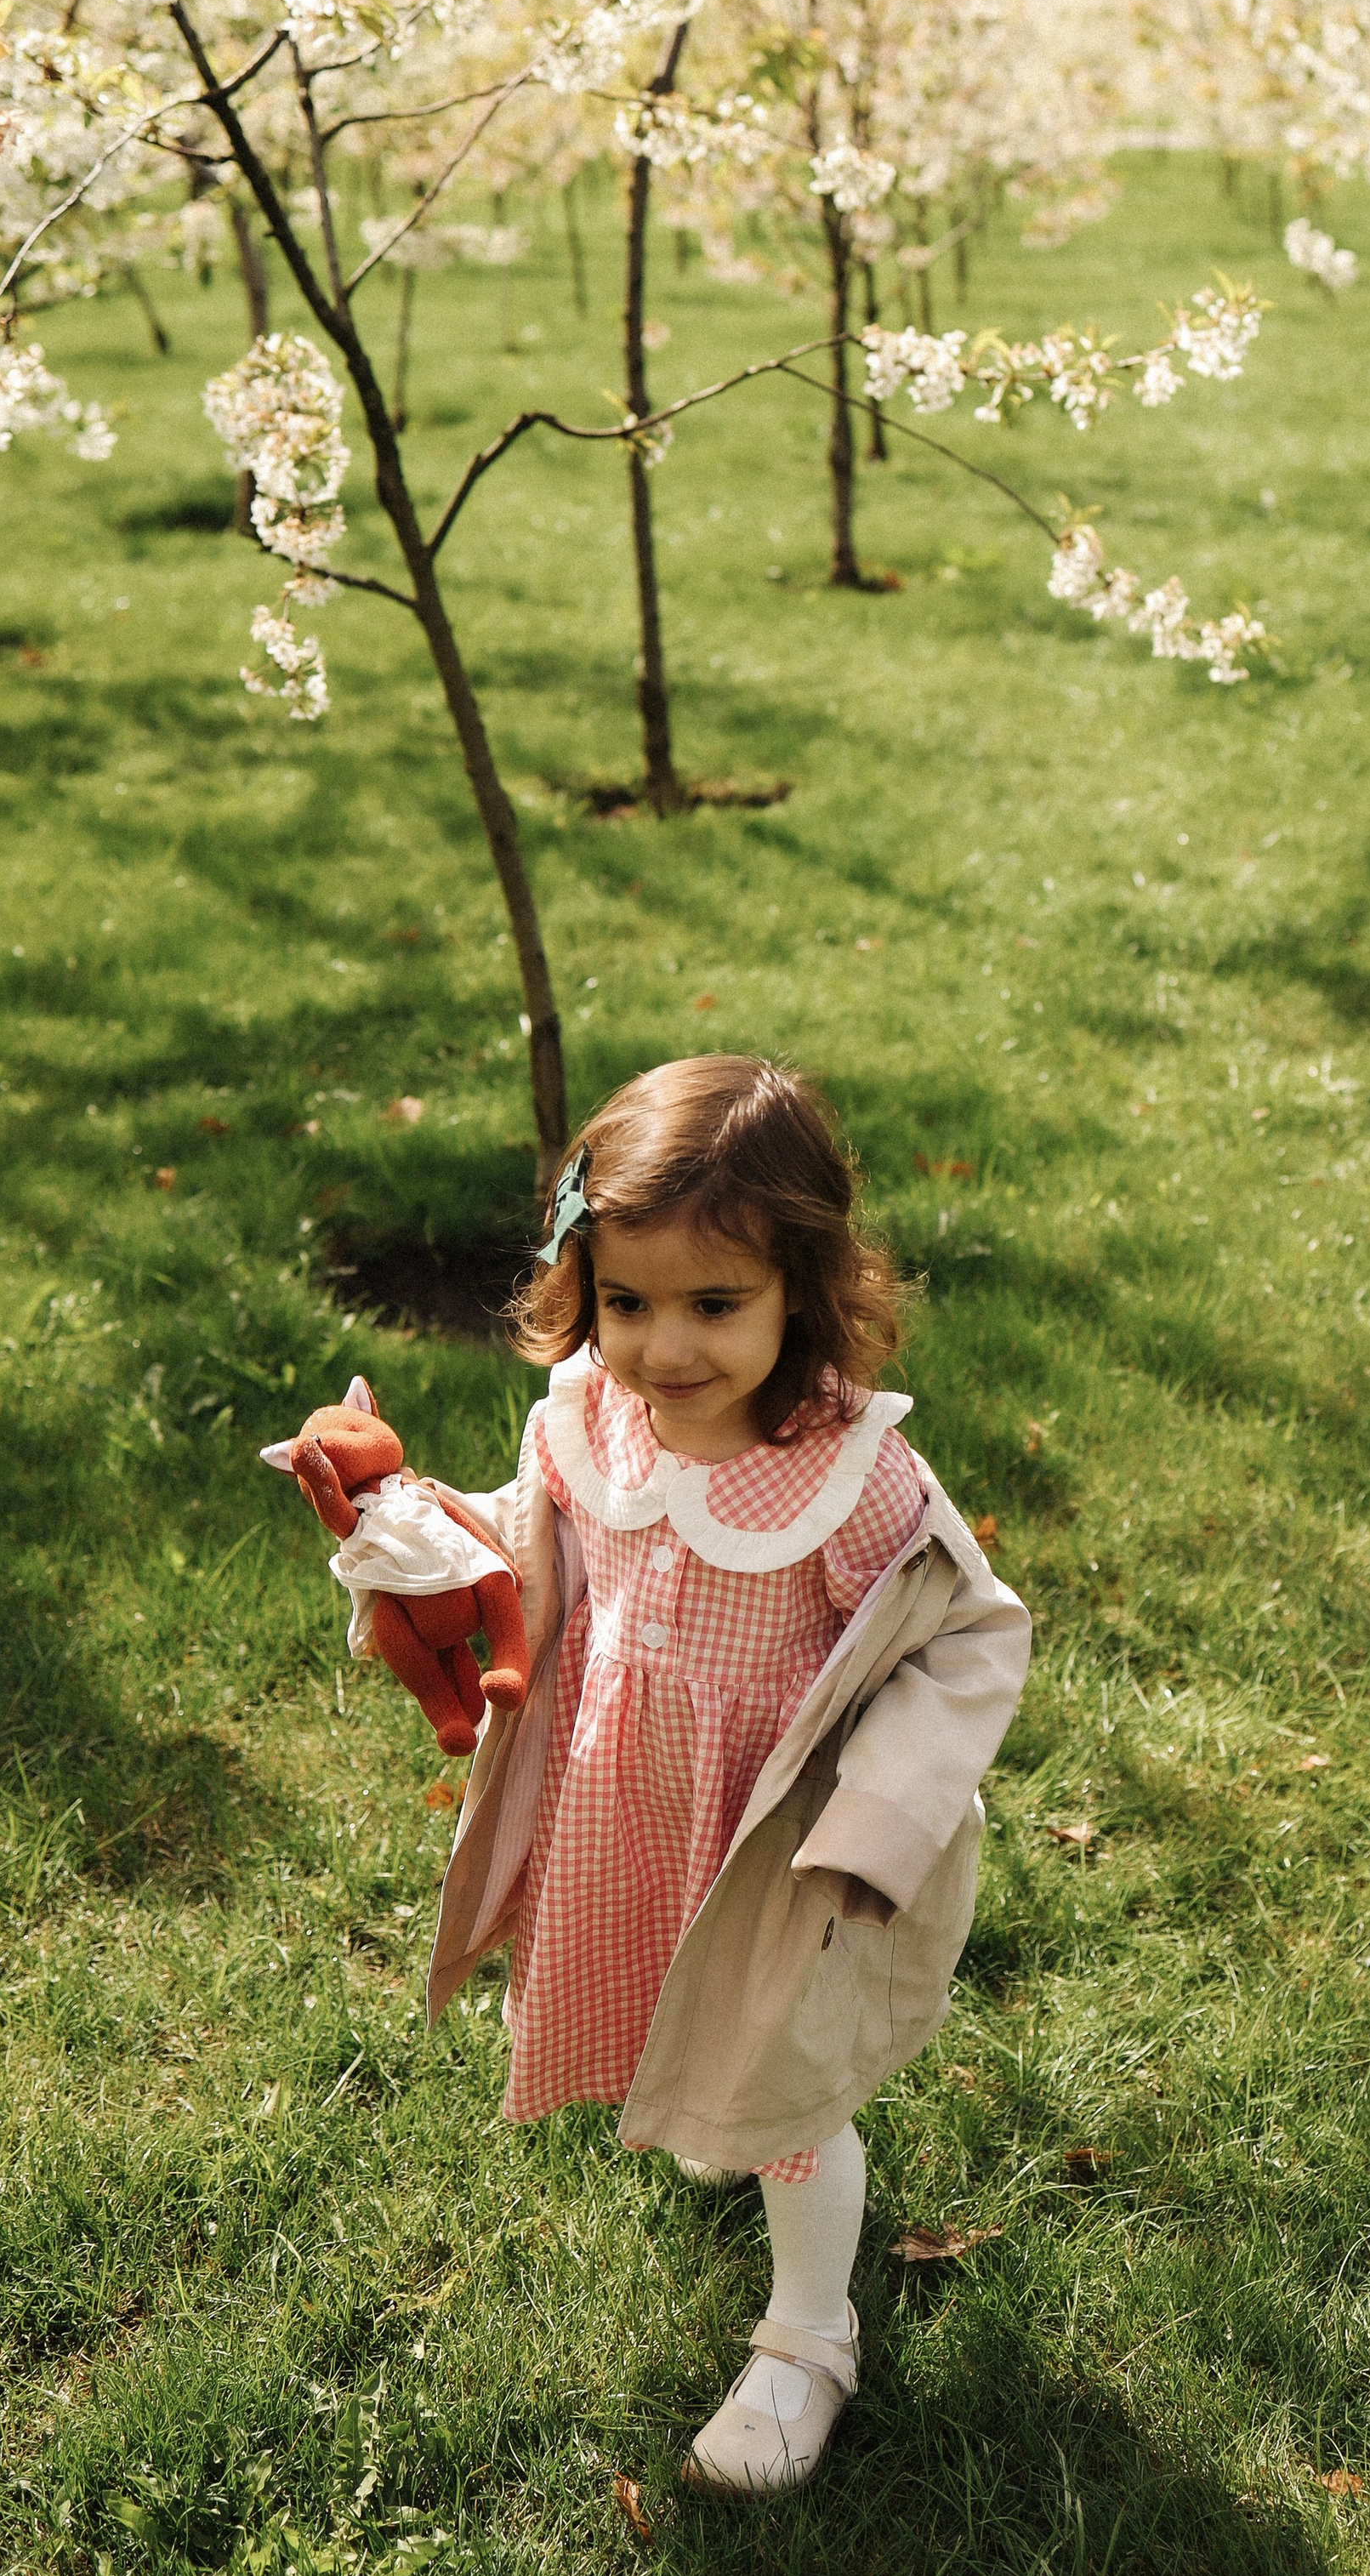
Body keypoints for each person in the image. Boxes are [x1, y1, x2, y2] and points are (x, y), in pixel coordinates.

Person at [390, 1055, 1028, 2496]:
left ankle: (810, 2336)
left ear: (802, 1288)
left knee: (786, 2096)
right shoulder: (587, 1419)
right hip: (629, 1816)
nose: (664, 1345)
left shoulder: (851, 1475)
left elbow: (972, 1637)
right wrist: (410, 1533)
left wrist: (879, 1827)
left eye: (714, 1305)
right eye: (628, 1302)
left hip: (773, 1846)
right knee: (694, 2035)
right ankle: (707, 2104)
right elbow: (535, 1543)